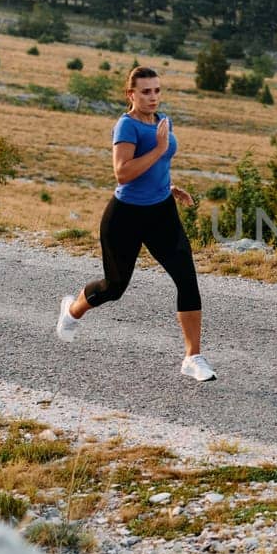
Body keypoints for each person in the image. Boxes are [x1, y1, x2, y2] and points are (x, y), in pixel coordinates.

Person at [56, 65, 215, 381]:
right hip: (125, 217)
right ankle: (73, 311)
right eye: (146, 91)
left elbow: (159, 164)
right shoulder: (125, 126)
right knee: (114, 288)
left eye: (157, 90)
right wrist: (157, 149)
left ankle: (193, 357)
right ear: (131, 94)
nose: (153, 97)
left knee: (187, 278)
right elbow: (123, 173)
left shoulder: (161, 121)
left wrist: (168, 186)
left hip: (161, 212)